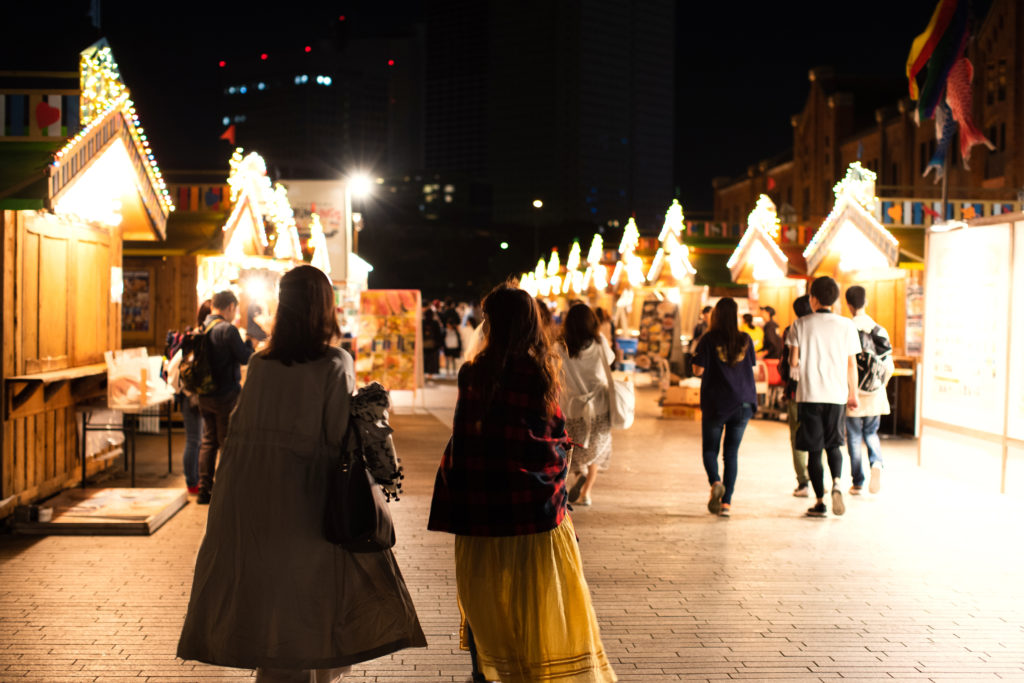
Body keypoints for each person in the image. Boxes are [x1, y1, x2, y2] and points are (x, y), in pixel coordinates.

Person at [178, 266, 426, 682]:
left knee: (273, 615)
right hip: (311, 505)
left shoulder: (260, 364)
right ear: (324, 309)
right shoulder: (334, 363)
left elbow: (239, 439)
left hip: (254, 504)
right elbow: (335, 439)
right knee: (312, 615)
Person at [428, 284, 617, 683]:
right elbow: (551, 436)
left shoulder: (472, 374)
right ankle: (533, 670)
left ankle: (488, 671)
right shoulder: (542, 372)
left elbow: (465, 436)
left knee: (485, 598)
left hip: (482, 506)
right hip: (534, 507)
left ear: (492, 324)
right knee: (534, 597)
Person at [788, 276, 862, 518]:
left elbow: (793, 362)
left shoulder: (800, 324)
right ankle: (838, 483)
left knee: (814, 450)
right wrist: (853, 393)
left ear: (814, 299)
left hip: (809, 395)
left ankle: (820, 501)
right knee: (834, 444)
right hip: (837, 395)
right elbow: (852, 364)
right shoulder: (847, 326)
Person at [692, 297, 756, 517]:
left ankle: (715, 482)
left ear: (716, 315)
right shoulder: (746, 339)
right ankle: (727, 503)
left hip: (716, 403)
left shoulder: (708, 339)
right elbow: (751, 368)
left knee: (710, 450)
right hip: (743, 403)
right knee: (732, 454)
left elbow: (698, 371)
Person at [196, 290, 254, 505]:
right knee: (227, 443)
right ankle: (227, 490)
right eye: (235, 310)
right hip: (226, 395)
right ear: (230, 307)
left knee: (208, 441)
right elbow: (245, 357)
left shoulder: (201, 327)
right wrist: (249, 343)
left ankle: (204, 489)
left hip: (204, 394)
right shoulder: (227, 330)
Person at [559, 303, 615, 507]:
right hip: (598, 409)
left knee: (573, 450)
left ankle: (578, 474)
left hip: (571, 408)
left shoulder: (560, 346)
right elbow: (610, 361)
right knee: (594, 454)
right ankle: (586, 493)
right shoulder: (599, 344)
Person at [844, 285, 894, 495]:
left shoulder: (847, 328)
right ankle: (876, 463)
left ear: (848, 305)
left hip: (853, 391)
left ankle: (858, 482)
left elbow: (846, 364)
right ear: (866, 302)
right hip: (875, 392)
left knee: (854, 436)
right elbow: (889, 365)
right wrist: (880, 386)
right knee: (871, 432)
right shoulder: (879, 330)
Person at [165, 300, 212, 494]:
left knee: (198, 439)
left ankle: (195, 480)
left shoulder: (193, 336)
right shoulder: (198, 338)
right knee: (195, 439)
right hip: (192, 395)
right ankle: (192, 481)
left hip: (188, 394)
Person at [781, 295, 813, 497]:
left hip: (796, 390)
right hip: (821, 390)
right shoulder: (826, 328)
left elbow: (789, 362)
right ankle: (819, 478)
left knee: (797, 436)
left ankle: (803, 482)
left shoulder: (793, 329)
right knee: (818, 435)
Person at [422, 309, 443, 377]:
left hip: (423, 344)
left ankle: (424, 373)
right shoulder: (435, 323)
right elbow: (438, 334)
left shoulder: (422, 322)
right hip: (433, 344)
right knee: (432, 360)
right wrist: (439, 344)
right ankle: (430, 374)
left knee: (424, 359)